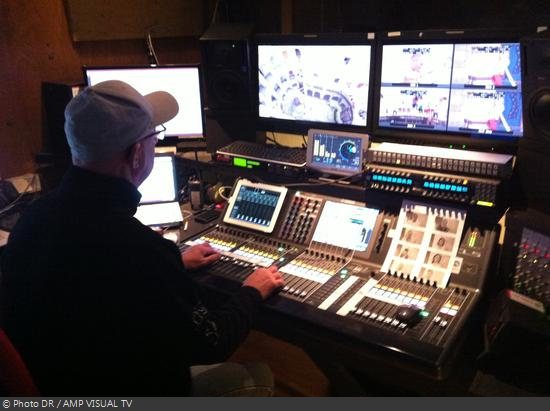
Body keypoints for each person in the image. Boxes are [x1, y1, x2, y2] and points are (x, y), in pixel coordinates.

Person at [0, 81, 284, 396]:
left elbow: (98, 279)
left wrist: (173, 261)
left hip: (56, 389)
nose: (154, 145)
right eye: (154, 138)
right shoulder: (140, 249)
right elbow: (211, 343)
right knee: (257, 374)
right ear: (137, 153)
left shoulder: (34, 218)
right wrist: (252, 291)